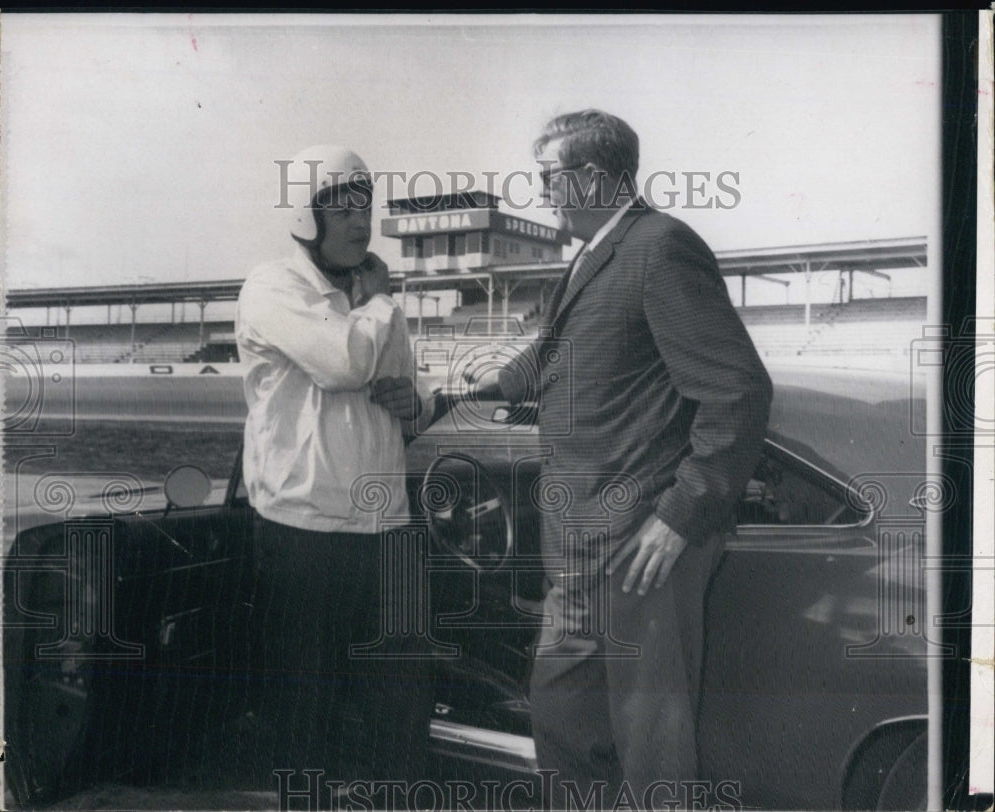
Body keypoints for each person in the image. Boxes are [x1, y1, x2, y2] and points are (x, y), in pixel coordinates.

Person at [482, 111, 773, 809]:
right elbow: (562, 349)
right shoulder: (595, 254)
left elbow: (738, 392)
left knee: (652, 751)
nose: (542, 192)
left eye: (549, 177)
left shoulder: (661, 247)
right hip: (580, 540)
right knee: (563, 720)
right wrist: (484, 387)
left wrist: (678, 516)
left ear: (589, 177)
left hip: (641, 546)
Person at [234, 144, 435, 791]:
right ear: (305, 218)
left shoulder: (375, 301)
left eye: (366, 207)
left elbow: (408, 393)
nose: (360, 222)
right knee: (305, 719)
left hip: (388, 531)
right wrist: (379, 301)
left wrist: (416, 402)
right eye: (341, 209)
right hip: (305, 534)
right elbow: (343, 363)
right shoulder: (273, 286)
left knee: (401, 714)